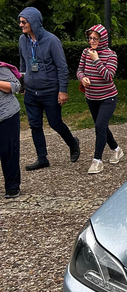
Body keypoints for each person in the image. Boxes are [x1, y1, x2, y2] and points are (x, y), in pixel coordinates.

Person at [17, 7, 80, 171]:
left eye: (24, 22)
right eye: (20, 21)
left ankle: (73, 143)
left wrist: (63, 90)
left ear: (33, 22)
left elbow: (62, 67)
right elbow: (23, 64)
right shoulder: (22, 40)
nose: (20, 25)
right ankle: (42, 158)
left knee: (55, 123)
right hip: (31, 91)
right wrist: (22, 84)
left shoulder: (52, 41)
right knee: (35, 125)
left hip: (49, 91)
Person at [77, 24, 122, 174]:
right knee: (101, 126)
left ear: (102, 39)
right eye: (90, 38)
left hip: (108, 98)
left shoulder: (111, 55)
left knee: (99, 126)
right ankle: (116, 149)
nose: (92, 41)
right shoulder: (85, 52)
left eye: (95, 38)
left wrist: (96, 60)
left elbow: (108, 76)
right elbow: (79, 70)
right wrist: (82, 78)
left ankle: (97, 161)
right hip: (91, 97)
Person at [0, 61, 21, 198]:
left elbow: (16, 86)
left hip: (7, 115)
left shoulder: (1, 68)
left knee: (8, 151)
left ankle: (12, 187)